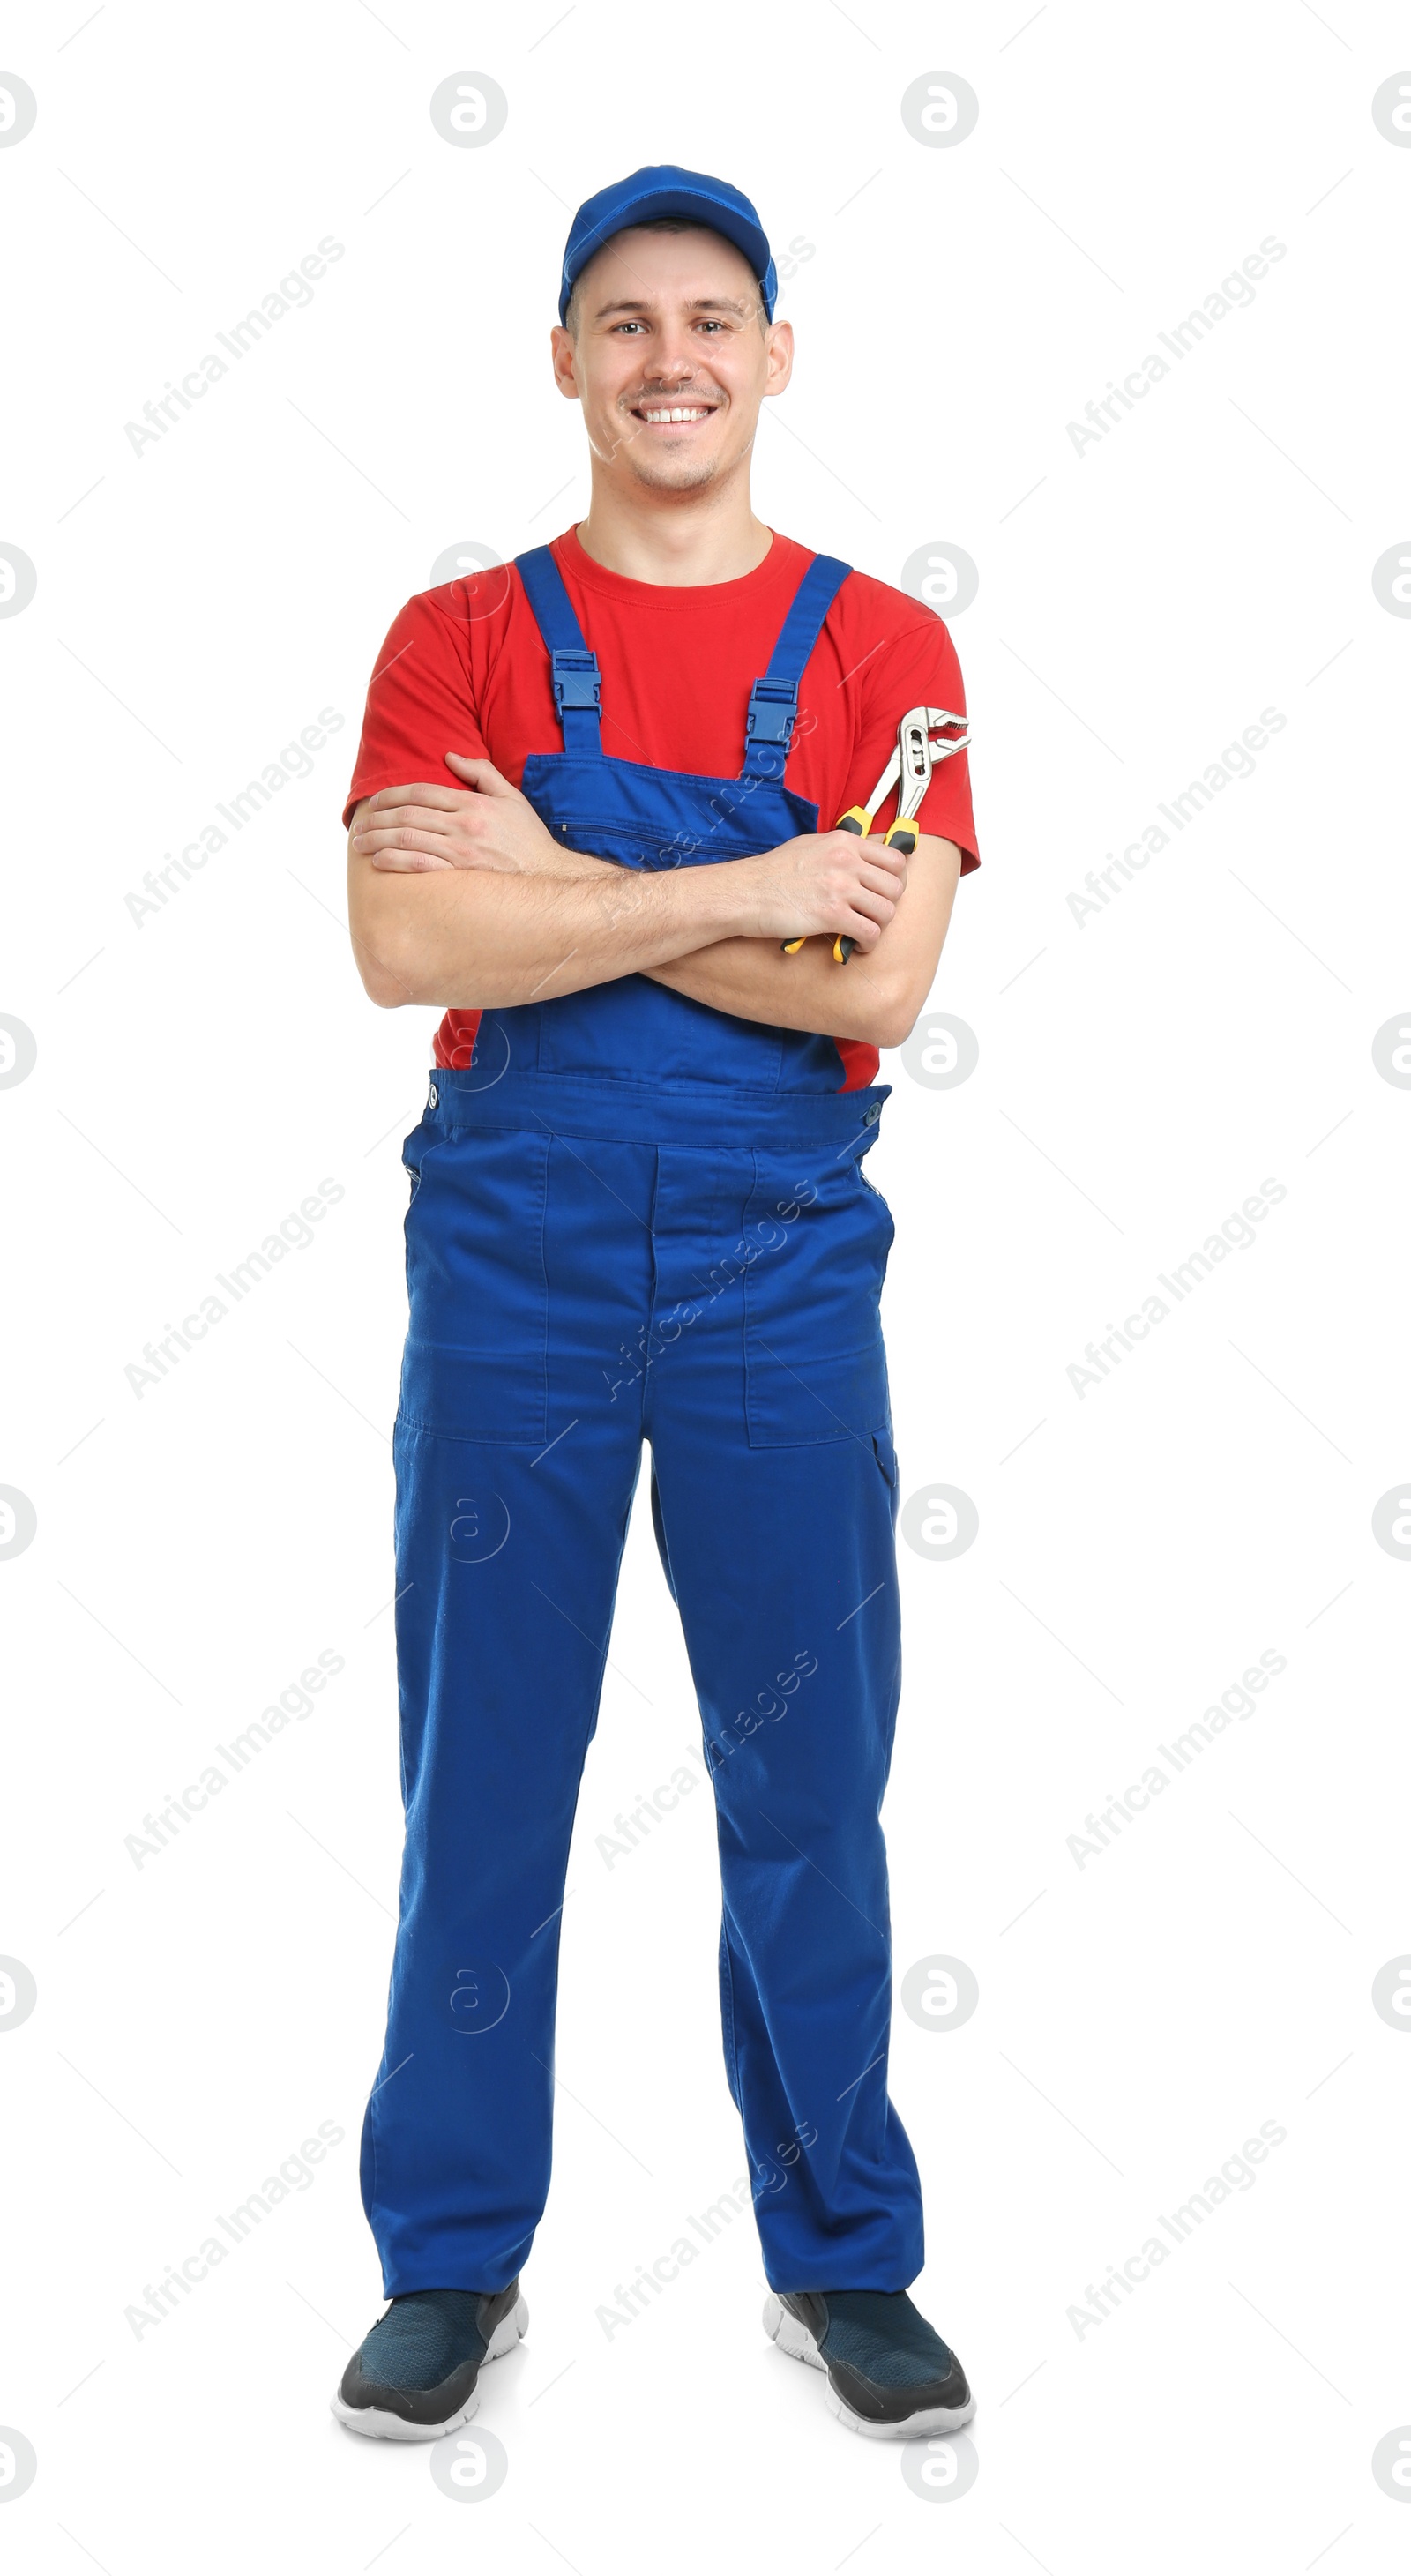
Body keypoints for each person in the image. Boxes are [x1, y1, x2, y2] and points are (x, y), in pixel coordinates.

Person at [332, 166, 981, 2446]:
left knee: (807, 1770)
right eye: (625, 321)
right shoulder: (458, 637)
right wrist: (745, 894)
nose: (673, 358)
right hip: (505, 1262)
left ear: (778, 355)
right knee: (481, 1774)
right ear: (566, 359)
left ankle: (844, 2247)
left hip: (778, 1271)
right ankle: (451, 2254)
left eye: (716, 318)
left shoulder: (890, 648)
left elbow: (881, 974)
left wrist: (559, 874)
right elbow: (409, 947)